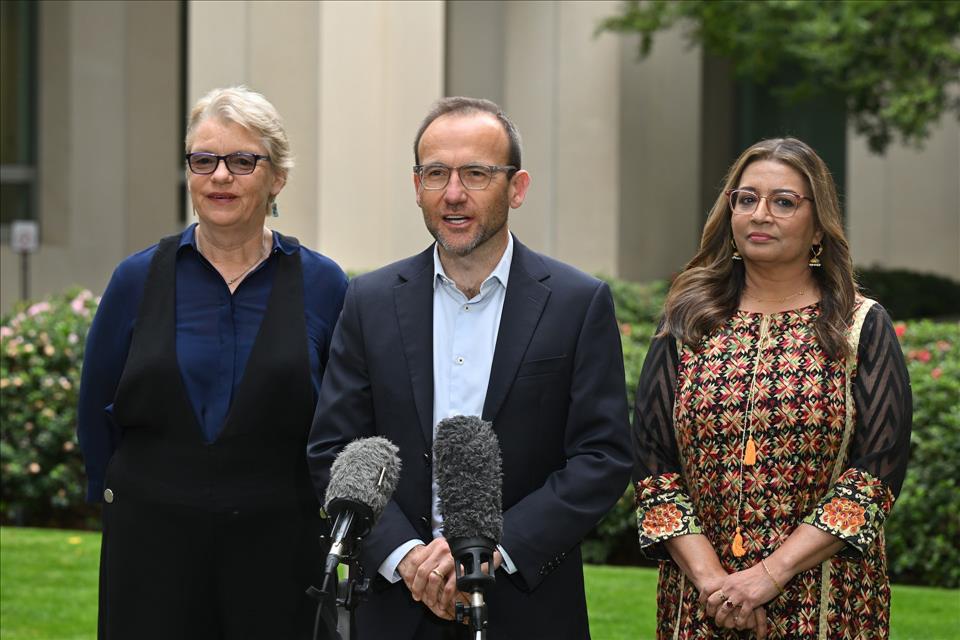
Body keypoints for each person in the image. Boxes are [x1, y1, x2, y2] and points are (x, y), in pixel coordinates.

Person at [306, 96, 632, 639]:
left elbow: (603, 456)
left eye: (476, 174)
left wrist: (493, 551)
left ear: (517, 188)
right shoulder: (370, 301)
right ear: (417, 187)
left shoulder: (577, 303)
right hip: (395, 607)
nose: (453, 193)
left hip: (525, 608)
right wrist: (406, 557)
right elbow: (334, 448)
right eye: (436, 173)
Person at [77, 86, 348, 639]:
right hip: (150, 548)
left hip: (281, 551)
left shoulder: (324, 285)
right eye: (204, 160)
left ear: (277, 178)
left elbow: (344, 418)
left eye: (242, 161)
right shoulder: (135, 280)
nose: (220, 176)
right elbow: (95, 411)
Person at [632, 137, 912, 639]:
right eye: (746, 199)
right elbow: (654, 470)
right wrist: (715, 585)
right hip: (699, 605)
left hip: (829, 605)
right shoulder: (686, 323)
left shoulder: (858, 326)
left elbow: (876, 474)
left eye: (783, 202)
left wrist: (768, 576)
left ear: (818, 225)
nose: (760, 214)